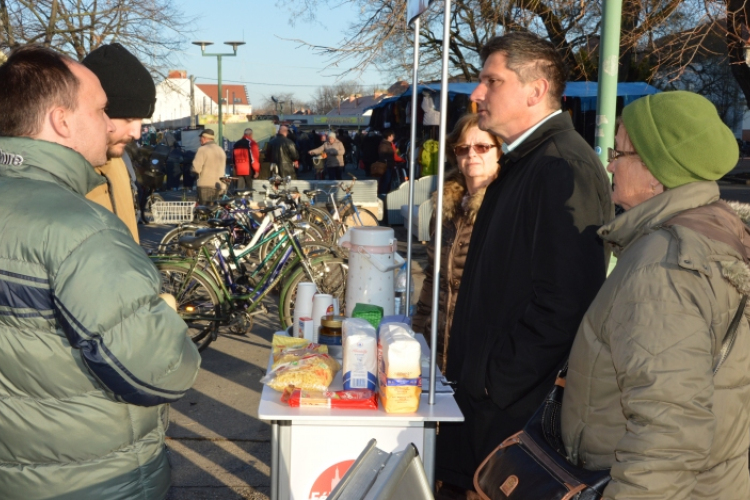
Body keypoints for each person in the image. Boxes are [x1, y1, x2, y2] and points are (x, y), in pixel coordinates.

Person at [0, 46, 200, 500]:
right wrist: (166, 323)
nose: (115, 123)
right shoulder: (80, 227)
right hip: (95, 476)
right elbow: (161, 369)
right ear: (62, 120)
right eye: (102, 109)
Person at [436, 32, 614, 495]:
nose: (477, 94)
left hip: (512, 420)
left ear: (535, 90)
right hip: (488, 408)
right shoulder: (527, 161)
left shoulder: (561, 166)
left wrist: (493, 381)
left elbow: (567, 302)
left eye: (491, 81)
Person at [560, 91, 750, 499]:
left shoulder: (662, 267)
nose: (609, 163)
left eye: (619, 153)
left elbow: (668, 431)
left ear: (654, 173)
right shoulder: (715, 232)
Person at [412, 113, 502, 373]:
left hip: (481, 350)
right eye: (463, 148)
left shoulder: (503, 207)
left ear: (499, 152)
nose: (472, 154)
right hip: (439, 342)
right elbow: (434, 274)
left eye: (483, 147)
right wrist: (416, 328)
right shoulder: (445, 208)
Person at [82, 43, 154, 242]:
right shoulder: (58, 176)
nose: (137, 133)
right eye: (128, 119)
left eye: (141, 121)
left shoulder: (120, 161)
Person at [192, 128, 227, 204]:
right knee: (216, 209)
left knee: (205, 211)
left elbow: (196, 169)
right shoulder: (221, 150)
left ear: (204, 138)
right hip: (220, 185)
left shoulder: (202, 149)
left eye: (200, 138)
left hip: (206, 186)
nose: (199, 140)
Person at [377, 129, 406, 194]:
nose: (393, 137)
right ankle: (383, 195)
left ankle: (383, 194)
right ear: (389, 136)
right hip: (386, 166)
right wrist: (402, 160)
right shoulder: (386, 145)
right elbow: (391, 155)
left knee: (385, 181)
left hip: (387, 165)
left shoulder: (386, 144)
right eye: (392, 136)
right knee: (386, 182)